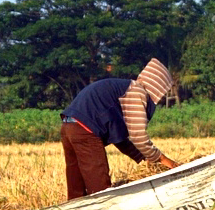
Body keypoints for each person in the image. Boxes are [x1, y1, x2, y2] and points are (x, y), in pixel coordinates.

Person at [60, 58, 179, 200]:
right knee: (100, 189)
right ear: (157, 87)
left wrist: (142, 157)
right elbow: (138, 136)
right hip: (85, 129)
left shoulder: (123, 88)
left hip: (69, 126)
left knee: (76, 184)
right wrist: (163, 159)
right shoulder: (137, 91)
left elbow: (118, 137)